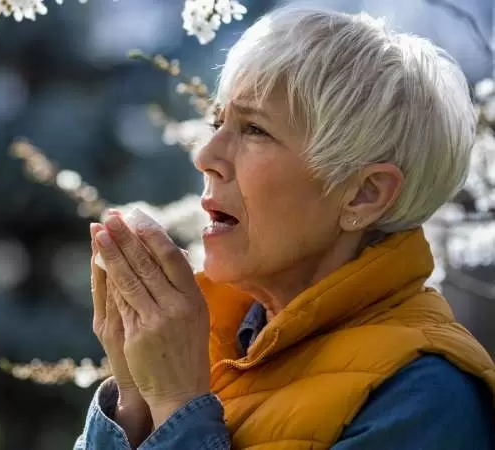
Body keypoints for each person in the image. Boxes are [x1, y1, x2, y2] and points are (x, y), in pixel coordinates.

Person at [73, 6, 495, 450]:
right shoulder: (214, 346)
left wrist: (178, 401)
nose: (206, 155)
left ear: (364, 194)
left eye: (255, 129)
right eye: (219, 122)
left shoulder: (424, 396)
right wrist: (136, 398)